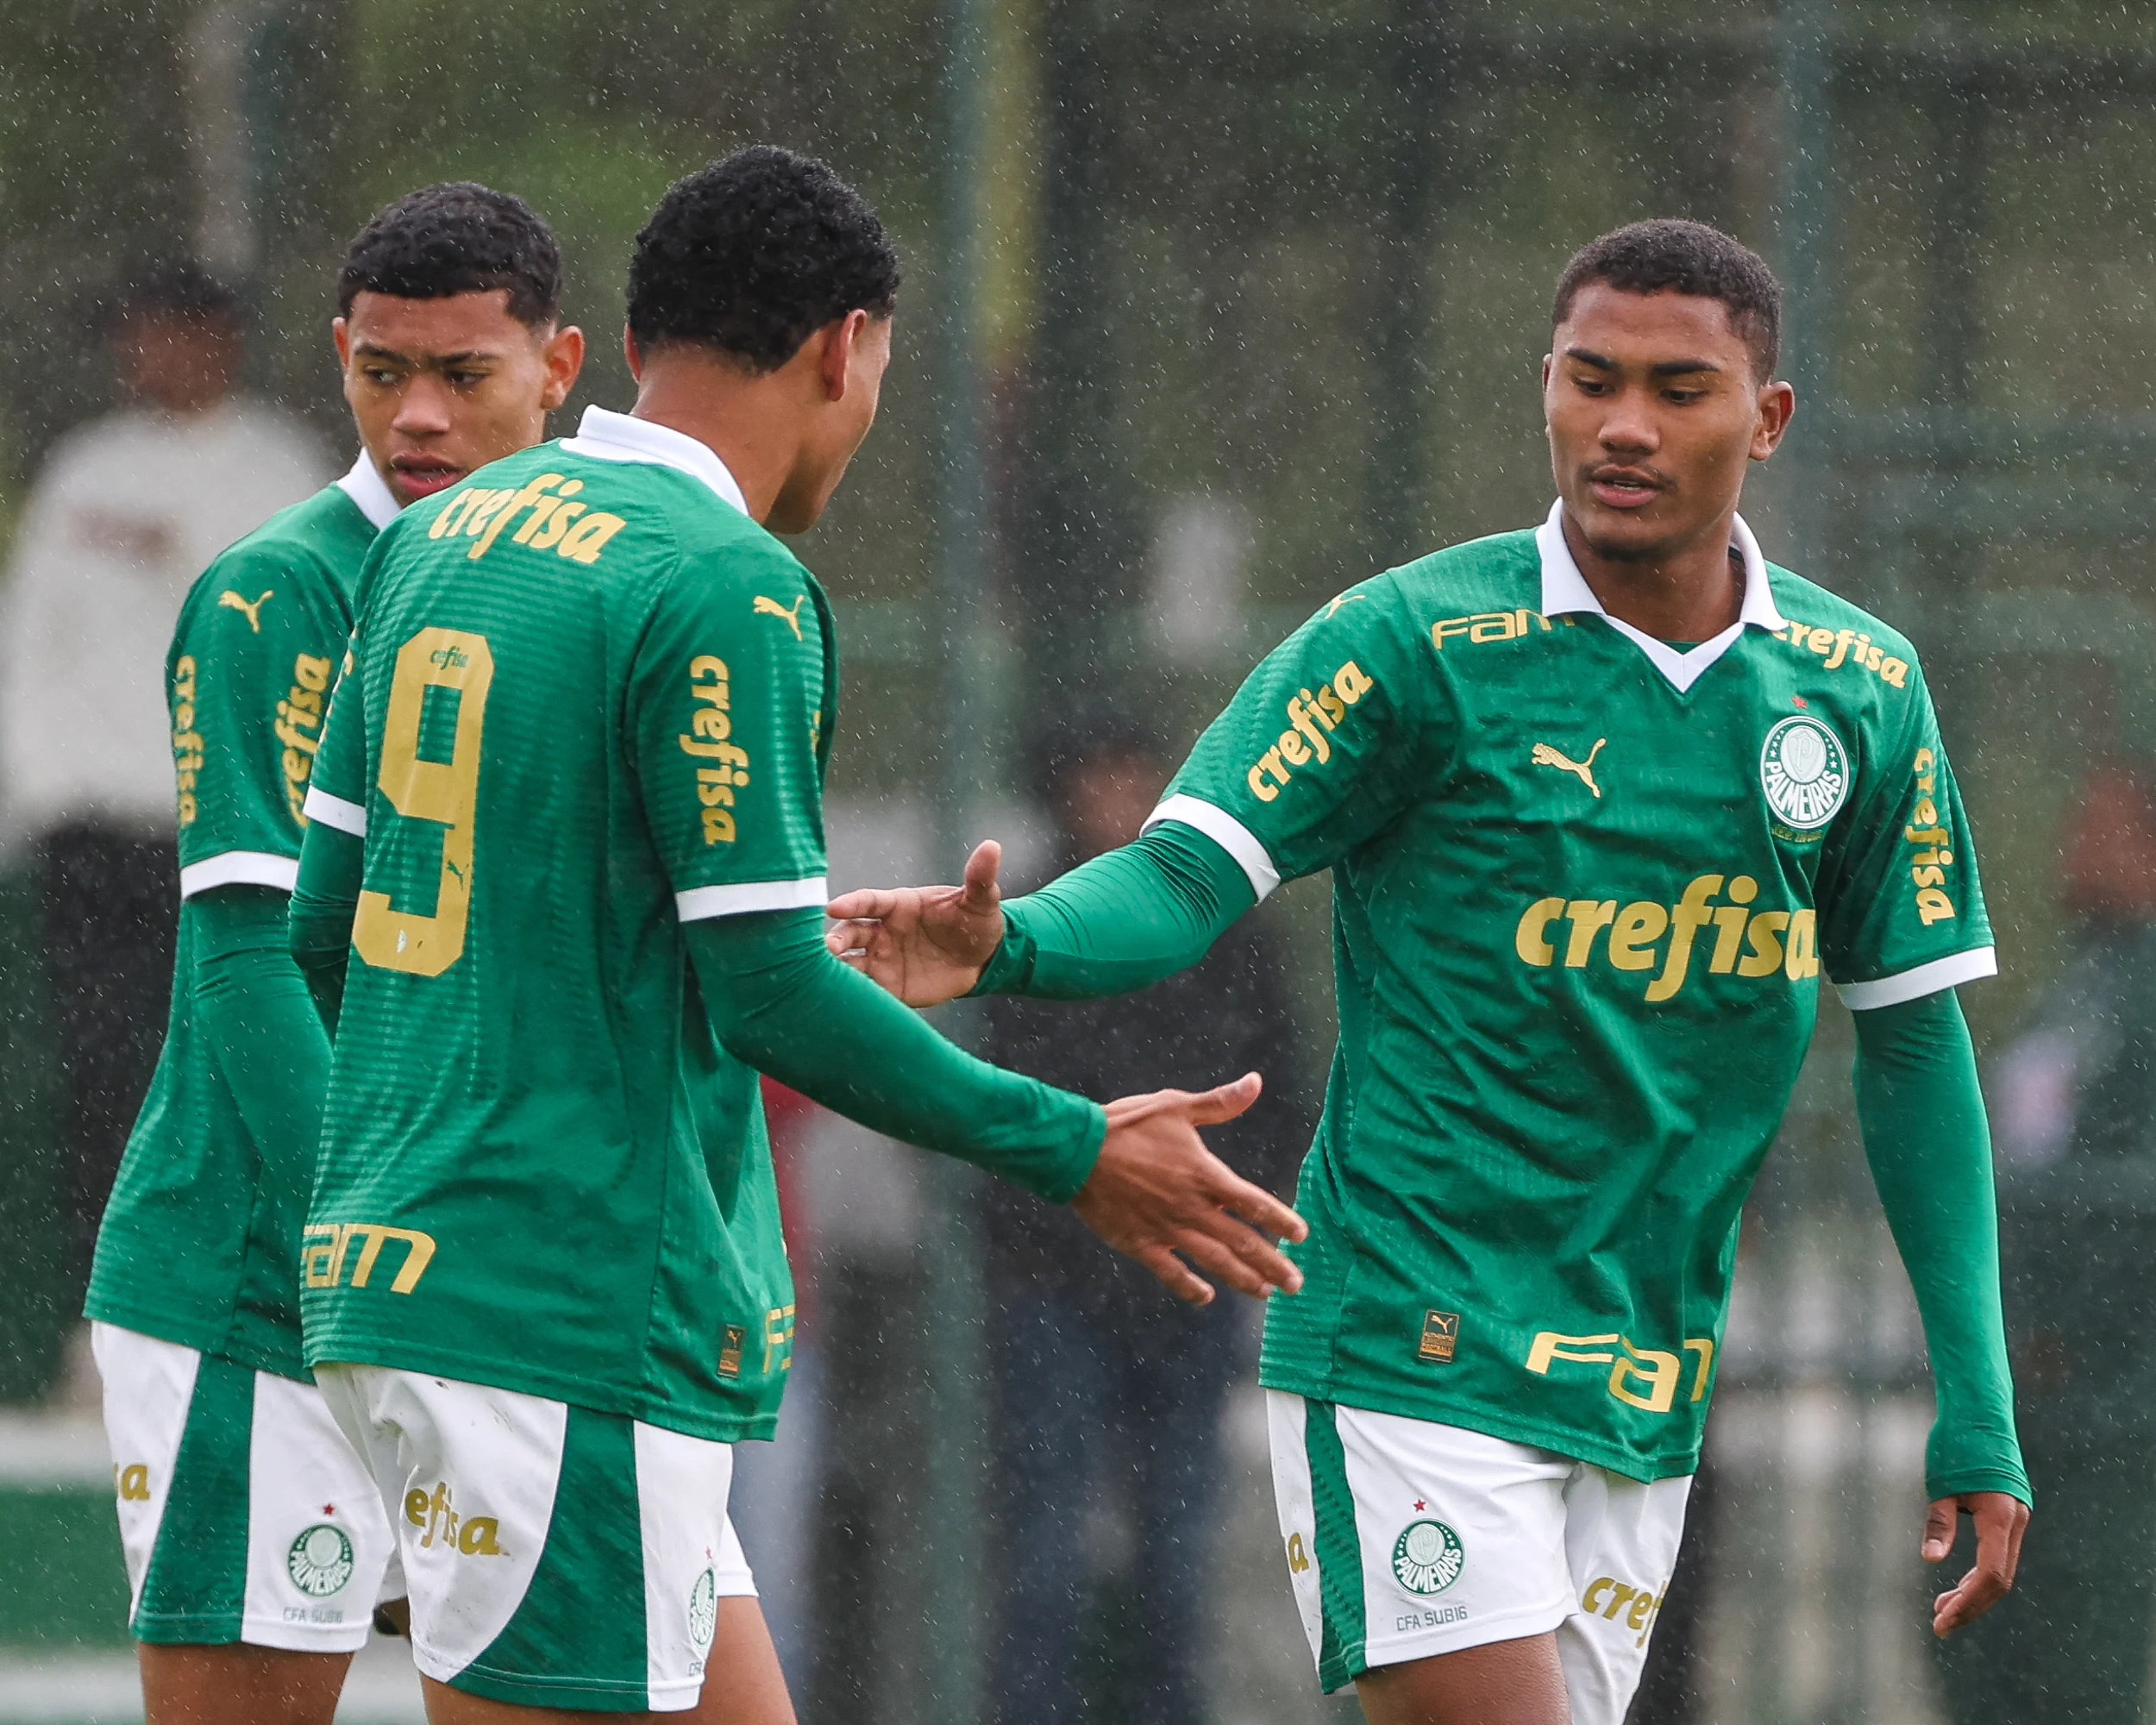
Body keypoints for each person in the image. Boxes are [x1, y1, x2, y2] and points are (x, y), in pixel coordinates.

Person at [824, 218, 2031, 1725]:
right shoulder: (1414, 645)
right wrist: (1020, 941)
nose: (1625, 426)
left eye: (1678, 388)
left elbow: (1915, 1049)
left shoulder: (1858, 692)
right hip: (1412, 1339)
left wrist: (1974, 1401)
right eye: (1591, 382)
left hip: (1641, 1378)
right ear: (1545, 388)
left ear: (1767, 419)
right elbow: (1190, 873)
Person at [284, 146, 1305, 1723]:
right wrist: (1070, 1144)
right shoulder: (729, 583)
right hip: (556, 1317)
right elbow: (763, 996)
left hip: (433, 1277)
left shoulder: (440, 542)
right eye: (883, 365)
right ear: (846, 348)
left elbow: (330, 931)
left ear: (627, 347)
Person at [83, 185, 585, 1725]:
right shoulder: (273, 597)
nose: (417, 415)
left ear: (560, 366)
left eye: (464, 375)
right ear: (337, 358)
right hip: (265, 1285)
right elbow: (247, 973)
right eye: (381, 373)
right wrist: (377, 1265)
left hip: (505, 1291)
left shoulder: (601, 579)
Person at [0, 264, 329, 1329]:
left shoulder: (279, 469)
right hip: (92, 837)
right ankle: (112, 1327)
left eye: (174, 334)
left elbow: (305, 649)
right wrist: (35, 801)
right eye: (138, 335)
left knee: (239, 1068)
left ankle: (248, 1311)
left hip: (230, 843)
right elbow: (29, 648)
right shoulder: (82, 471)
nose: (155, 356)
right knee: (103, 1081)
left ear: (221, 339)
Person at [980, 720, 1310, 1725]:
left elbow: (1278, 1097)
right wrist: (1047, 1234)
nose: (1113, 794)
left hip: (1190, 1284)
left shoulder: (1224, 928)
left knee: (1176, 1561)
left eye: (1130, 769)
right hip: (1054, 1293)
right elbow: (991, 1109)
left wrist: (1214, 1213)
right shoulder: (1024, 921)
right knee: (1043, 1560)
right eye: (1094, 770)